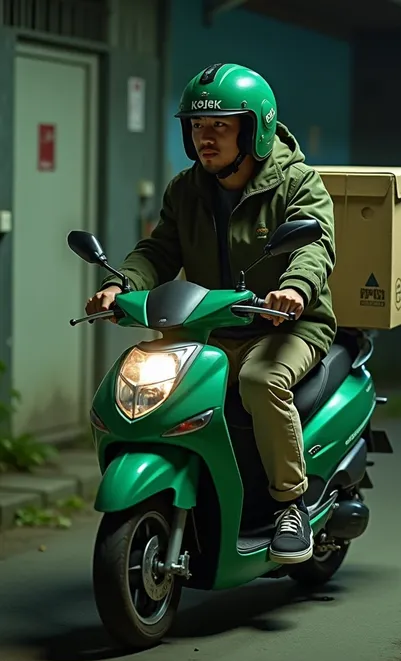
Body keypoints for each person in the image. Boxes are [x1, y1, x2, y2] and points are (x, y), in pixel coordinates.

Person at [86, 63, 337, 565]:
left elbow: (318, 245)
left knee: (261, 381)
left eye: (220, 125)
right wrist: (121, 284)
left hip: (285, 322)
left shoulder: (297, 183)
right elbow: (159, 250)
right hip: (208, 323)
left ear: (255, 128)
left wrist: (294, 289)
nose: (206, 137)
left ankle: (290, 504)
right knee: (161, 388)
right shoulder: (187, 189)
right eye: (197, 126)